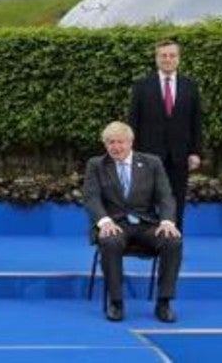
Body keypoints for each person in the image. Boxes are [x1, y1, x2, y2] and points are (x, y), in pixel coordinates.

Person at [83, 121, 182, 323]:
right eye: (111, 142)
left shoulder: (152, 163)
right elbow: (91, 197)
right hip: (115, 223)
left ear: (130, 142)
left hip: (146, 224)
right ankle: (116, 302)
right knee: (110, 241)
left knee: (172, 241)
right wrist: (104, 221)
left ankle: (164, 302)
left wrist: (167, 222)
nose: (116, 147)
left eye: (120, 142)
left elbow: (165, 196)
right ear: (105, 144)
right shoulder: (96, 165)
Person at [128, 40, 203, 230]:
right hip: (149, 155)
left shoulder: (190, 86)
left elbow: (196, 122)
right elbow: (133, 122)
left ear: (178, 59)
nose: (167, 59)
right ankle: (152, 241)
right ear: (156, 58)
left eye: (172, 55)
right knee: (150, 199)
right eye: (163, 56)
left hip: (180, 156)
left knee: (177, 200)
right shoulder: (141, 86)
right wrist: (132, 154)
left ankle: (174, 244)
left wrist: (195, 152)